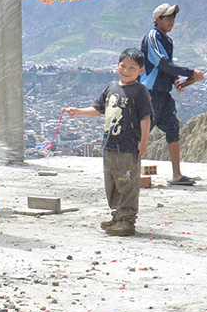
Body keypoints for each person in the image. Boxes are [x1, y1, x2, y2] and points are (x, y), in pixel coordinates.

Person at [65, 48, 153, 236]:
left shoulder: (140, 91)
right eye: (123, 66)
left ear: (141, 71)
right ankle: (117, 216)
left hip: (128, 146)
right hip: (110, 146)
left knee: (126, 182)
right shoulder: (111, 87)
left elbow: (145, 118)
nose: (126, 71)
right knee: (112, 182)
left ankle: (127, 220)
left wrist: (143, 142)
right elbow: (97, 109)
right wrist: (78, 111)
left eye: (132, 68)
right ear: (117, 65)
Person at [140, 3, 204, 185]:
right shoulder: (152, 37)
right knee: (141, 133)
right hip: (150, 94)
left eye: (173, 18)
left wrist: (176, 80)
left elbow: (168, 68)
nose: (171, 21)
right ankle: (131, 172)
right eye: (167, 17)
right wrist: (191, 73)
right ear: (157, 19)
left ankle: (177, 174)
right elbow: (163, 64)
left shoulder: (166, 40)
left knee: (173, 130)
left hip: (163, 94)